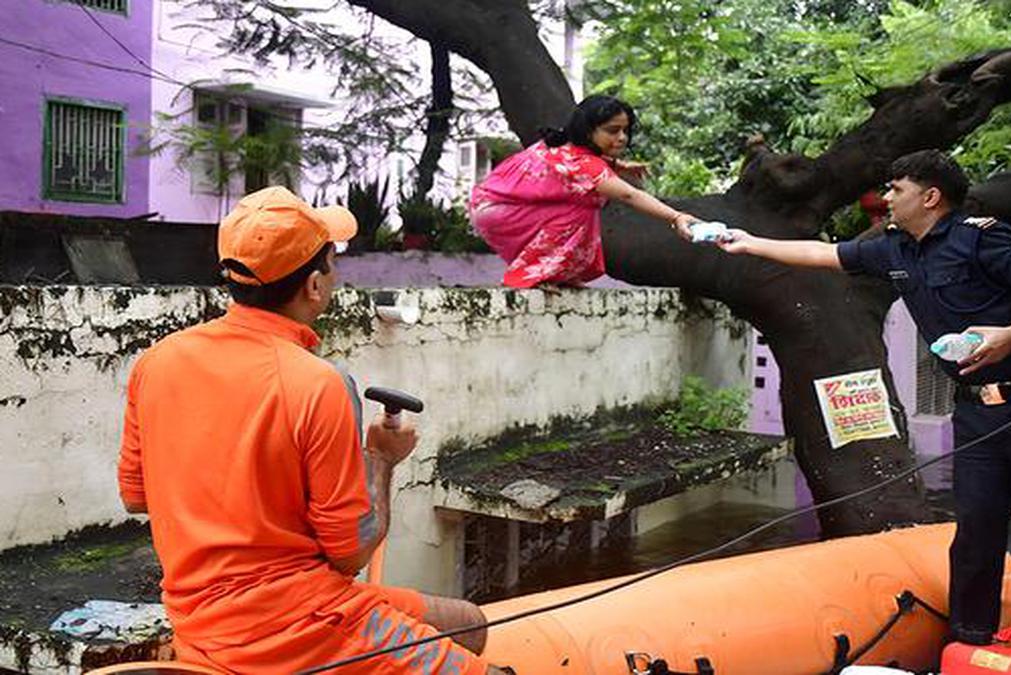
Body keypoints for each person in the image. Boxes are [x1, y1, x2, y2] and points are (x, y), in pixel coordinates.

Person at [711, 150, 1011, 673]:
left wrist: (1009, 336)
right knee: (974, 534)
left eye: (896, 188)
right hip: (975, 415)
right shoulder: (895, 250)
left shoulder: (982, 237)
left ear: (929, 196)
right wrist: (746, 243)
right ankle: (968, 646)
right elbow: (823, 255)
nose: (886, 198)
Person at [117, 186, 509, 674]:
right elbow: (349, 556)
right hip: (303, 628)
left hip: (204, 622)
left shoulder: (157, 362)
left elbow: (136, 497)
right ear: (314, 286)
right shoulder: (318, 383)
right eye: (331, 262)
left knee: (469, 623)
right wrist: (382, 460)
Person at [469, 94, 700, 289]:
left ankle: (553, 274)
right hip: (501, 210)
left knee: (583, 205)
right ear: (588, 131)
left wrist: (619, 166)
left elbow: (567, 168)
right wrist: (676, 217)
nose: (621, 137)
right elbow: (629, 195)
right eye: (613, 130)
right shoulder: (586, 165)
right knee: (582, 209)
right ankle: (531, 275)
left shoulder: (564, 143)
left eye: (625, 130)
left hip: (491, 207)